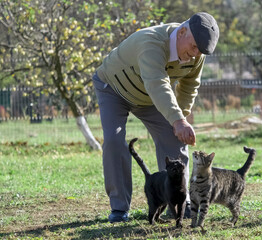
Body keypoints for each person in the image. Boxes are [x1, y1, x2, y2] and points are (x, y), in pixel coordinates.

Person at [92, 12, 219, 223]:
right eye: (194, 47)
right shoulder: (151, 42)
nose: (196, 54)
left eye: (201, 51)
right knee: (114, 141)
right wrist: (177, 120)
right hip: (113, 89)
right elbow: (157, 84)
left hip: (150, 98)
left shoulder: (197, 54)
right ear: (183, 31)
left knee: (174, 138)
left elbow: (189, 86)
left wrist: (181, 118)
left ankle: (178, 202)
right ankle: (119, 208)